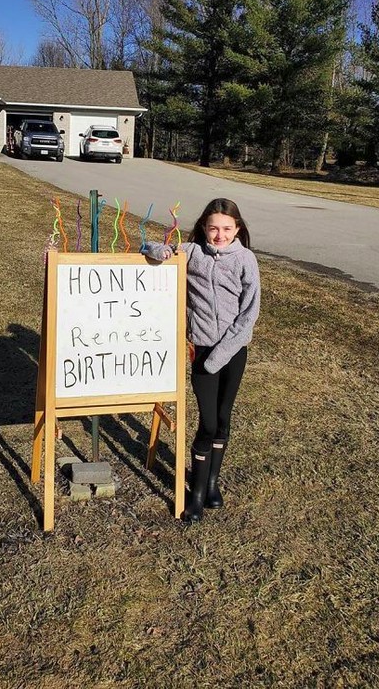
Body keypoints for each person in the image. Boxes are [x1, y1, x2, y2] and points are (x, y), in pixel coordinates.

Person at [143, 198, 260, 523]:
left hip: (233, 352)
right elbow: (148, 247)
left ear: (237, 228)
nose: (220, 235)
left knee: (222, 417)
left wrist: (222, 354)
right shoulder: (192, 252)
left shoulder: (246, 259)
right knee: (207, 422)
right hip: (203, 352)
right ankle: (195, 493)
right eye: (213, 229)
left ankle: (210, 484)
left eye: (227, 228)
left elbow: (249, 312)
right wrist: (159, 251)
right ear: (204, 228)